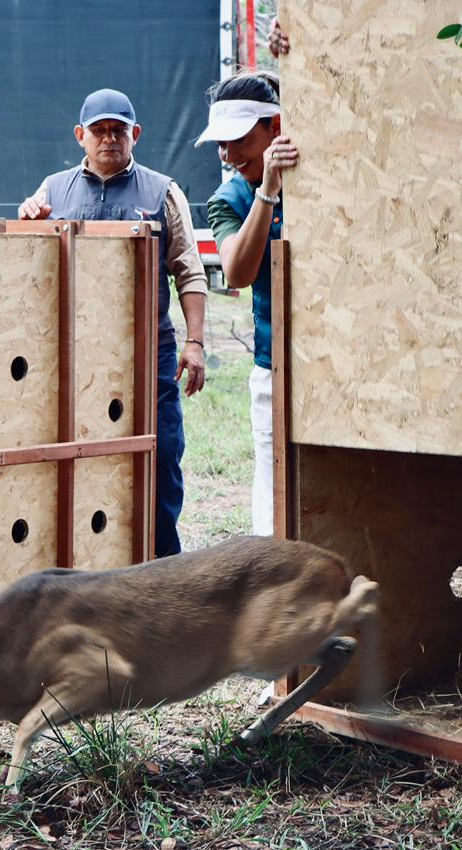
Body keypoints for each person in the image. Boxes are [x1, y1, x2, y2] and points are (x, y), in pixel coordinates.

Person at [19, 89, 208, 558]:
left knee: (161, 461)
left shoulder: (163, 192)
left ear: (135, 135)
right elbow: (24, 269)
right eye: (99, 130)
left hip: (149, 356)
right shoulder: (51, 191)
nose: (109, 139)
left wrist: (196, 342)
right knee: (78, 464)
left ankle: (163, 570)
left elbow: (189, 270)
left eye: (118, 130)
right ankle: (88, 568)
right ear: (79, 136)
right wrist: (28, 222)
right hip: (73, 357)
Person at [195, 73, 298, 537]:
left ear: (275, 126)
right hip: (273, 364)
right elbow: (237, 272)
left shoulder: (316, 173)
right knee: (274, 494)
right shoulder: (228, 199)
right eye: (221, 144)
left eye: (239, 140)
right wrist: (267, 193)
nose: (228, 154)